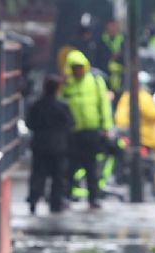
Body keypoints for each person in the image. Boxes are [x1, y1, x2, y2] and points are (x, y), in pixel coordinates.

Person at [60, 49, 113, 210]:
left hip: (91, 131)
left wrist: (106, 127)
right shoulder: (67, 85)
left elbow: (104, 106)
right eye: (74, 67)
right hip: (73, 133)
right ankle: (66, 196)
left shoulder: (96, 82)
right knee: (70, 167)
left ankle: (93, 198)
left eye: (80, 67)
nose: (78, 70)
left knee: (91, 168)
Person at [25, 75, 75, 214]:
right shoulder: (63, 106)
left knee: (38, 175)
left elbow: (29, 123)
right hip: (59, 146)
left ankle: (34, 200)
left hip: (40, 145)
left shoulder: (36, 105)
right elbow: (71, 123)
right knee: (58, 176)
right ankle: (55, 203)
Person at [94, 18, 126, 95]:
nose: (113, 29)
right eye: (111, 26)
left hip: (122, 77)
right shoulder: (101, 40)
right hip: (105, 75)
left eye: (114, 26)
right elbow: (98, 57)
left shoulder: (124, 39)